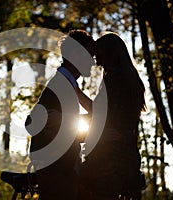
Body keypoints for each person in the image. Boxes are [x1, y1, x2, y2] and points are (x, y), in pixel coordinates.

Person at [25, 29, 95, 199]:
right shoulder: (60, 86)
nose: (92, 64)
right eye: (88, 56)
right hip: (58, 174)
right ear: (73, 55)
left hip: (61, 172)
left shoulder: (67, 85)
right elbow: (31, 123)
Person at [77, 32, 146, 199]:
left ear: (110, 54)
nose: (97, 62)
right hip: (127, 157)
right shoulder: (132, 80)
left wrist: (74, 90)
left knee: (70, 180)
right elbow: (109, 117)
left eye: (99, 56)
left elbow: (97, 113)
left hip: (111, 161)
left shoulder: (115, 80)